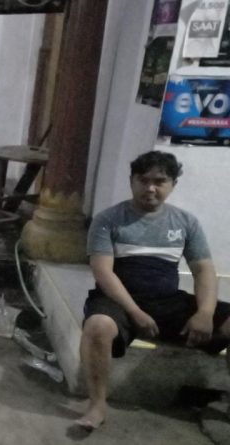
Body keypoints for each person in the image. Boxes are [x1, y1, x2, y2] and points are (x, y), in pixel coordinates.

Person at [77, 151, 230, 430]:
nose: (150, 188)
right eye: (143, 180)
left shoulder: (185, 223)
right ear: (131, 181)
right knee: (98, 325)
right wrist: (135, 312)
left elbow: (203, 270)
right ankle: (97, 406)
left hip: (167, 301)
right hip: (118, 302)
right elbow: (103, 272)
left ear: (173, 184)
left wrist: (206, 312)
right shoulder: (108, 220)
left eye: (159, 181)